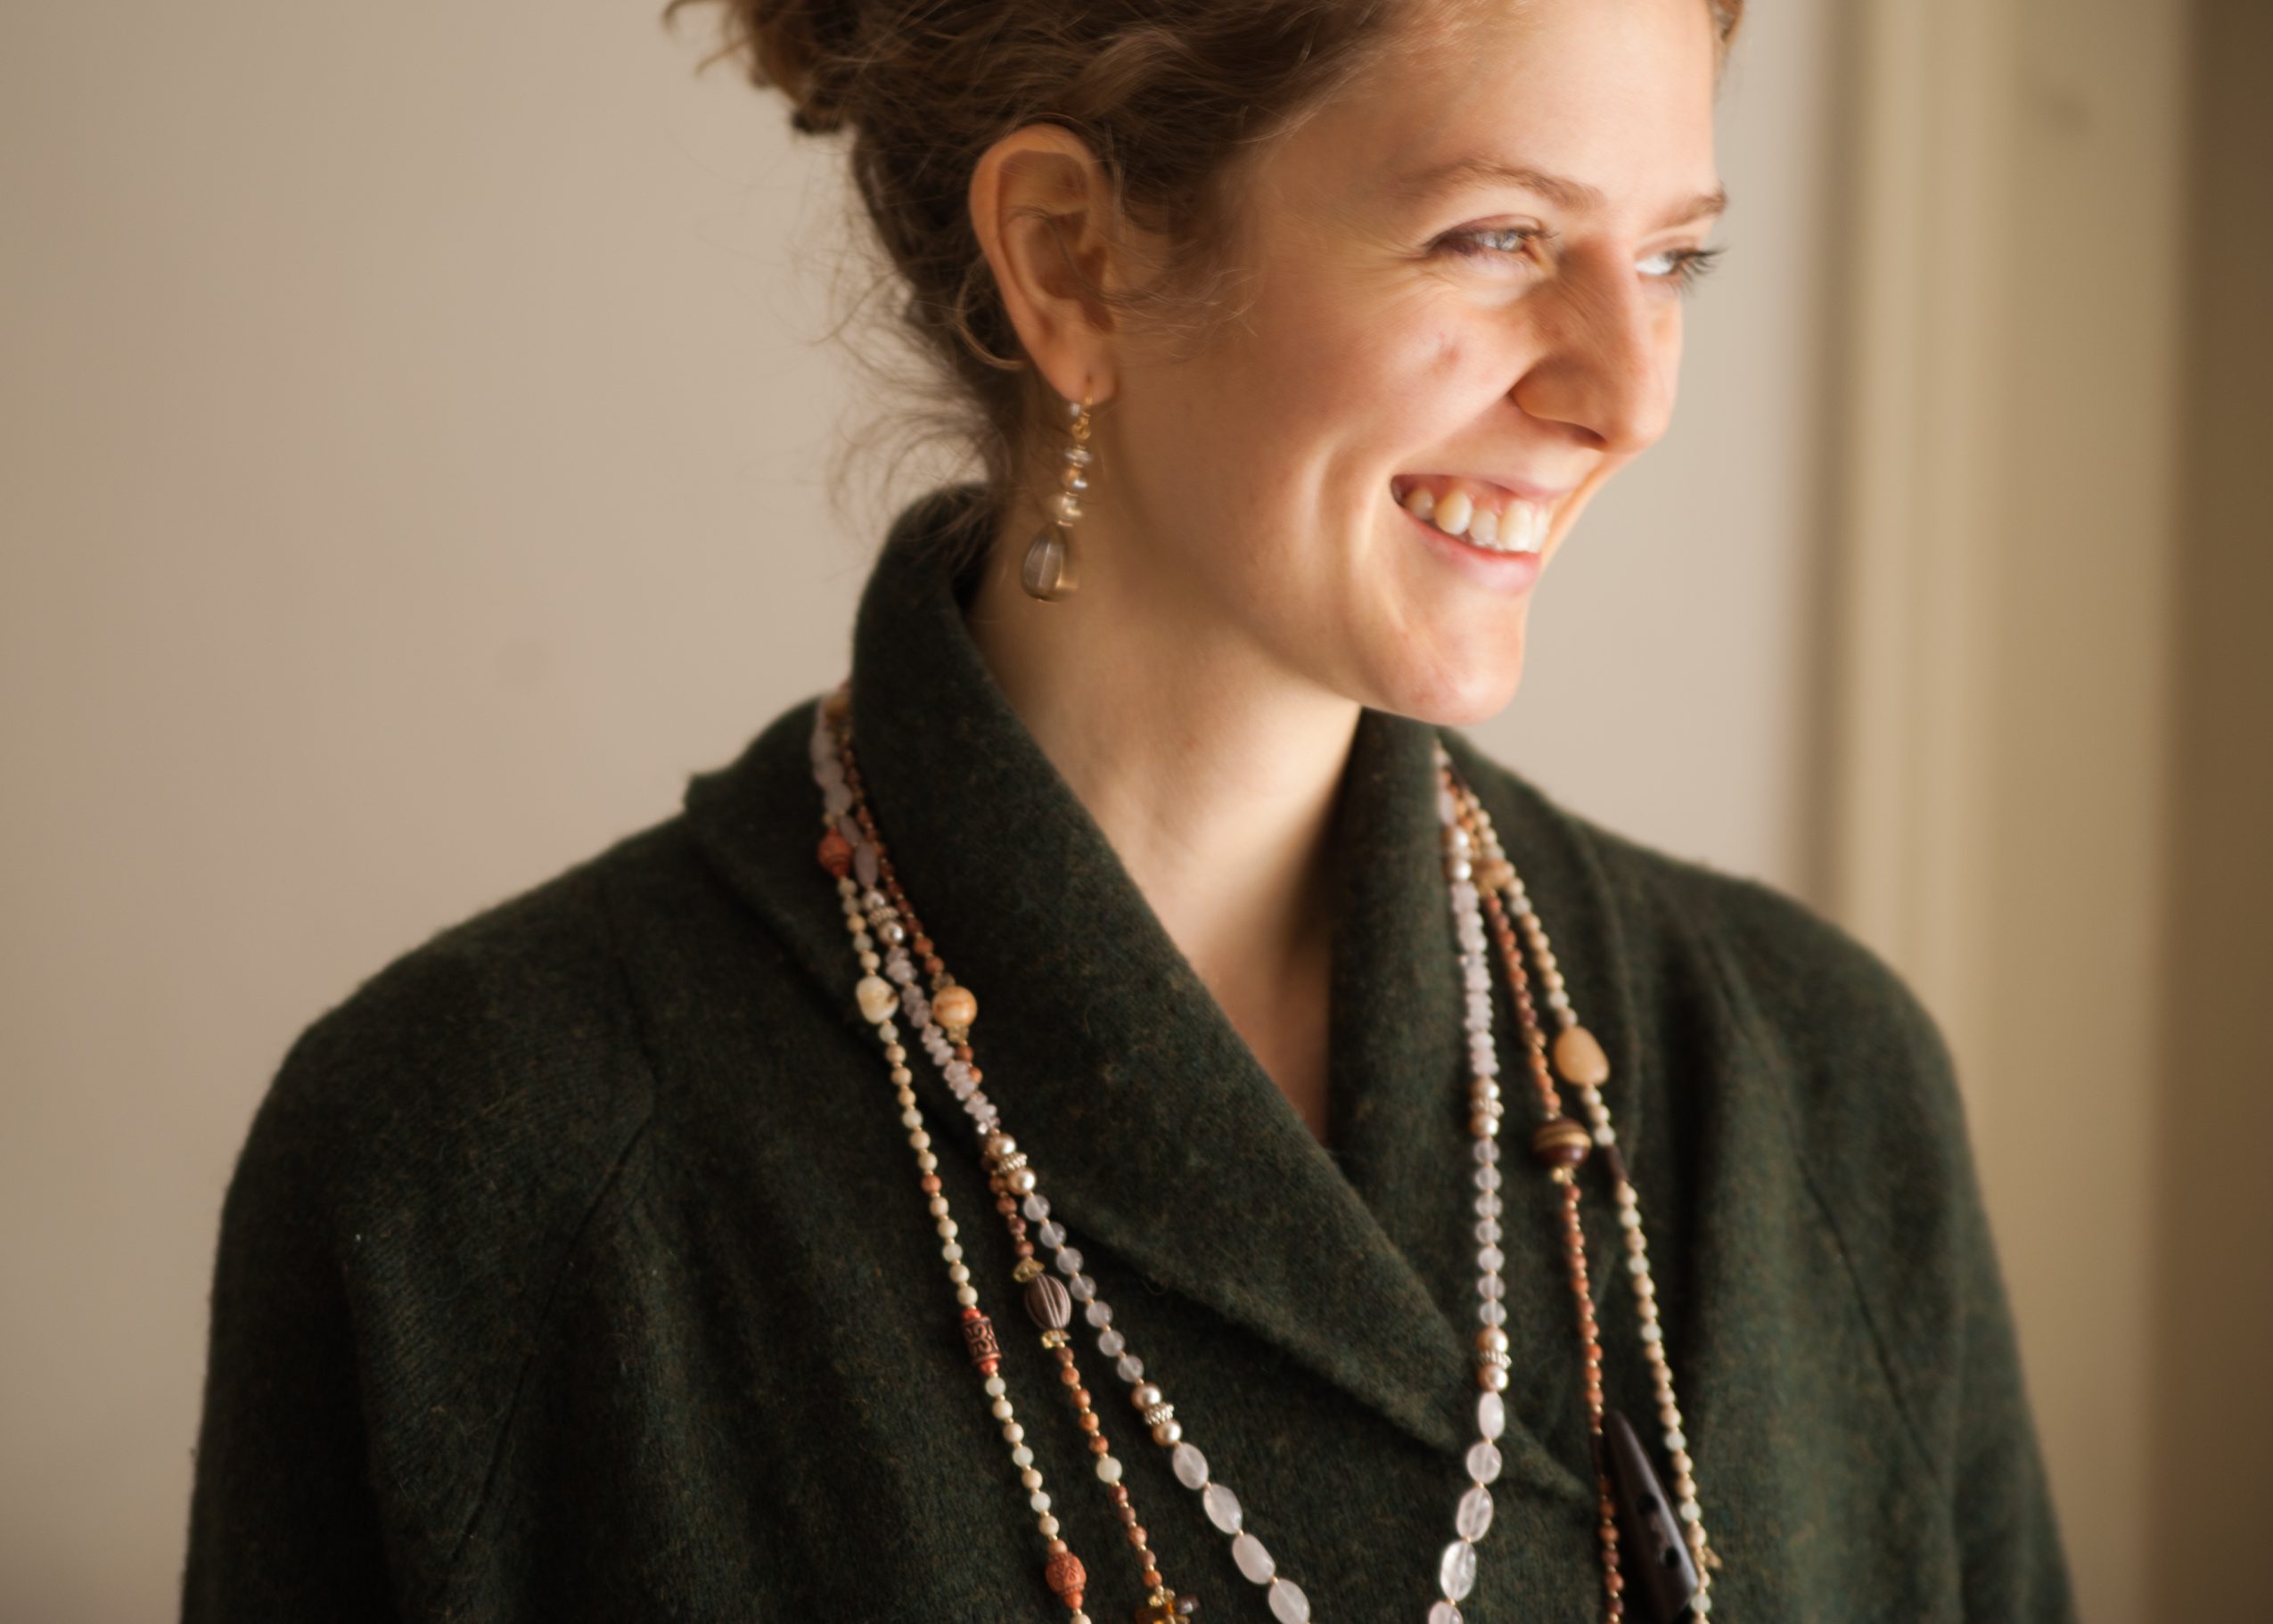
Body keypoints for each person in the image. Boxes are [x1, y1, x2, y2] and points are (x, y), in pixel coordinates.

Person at [181, 0, 2079, 1619]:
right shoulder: (466, 1171)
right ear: (1075, 260)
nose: (1632, 393)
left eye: (1673, 258)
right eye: (1496, 237)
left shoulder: (1816, 1087)